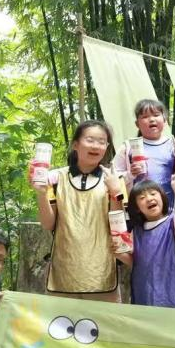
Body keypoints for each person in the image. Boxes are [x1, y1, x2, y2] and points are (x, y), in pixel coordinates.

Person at [32, 119, 128, 302]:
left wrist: (115, 192)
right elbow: (48, 224)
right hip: (64, 271)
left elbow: (119, 228)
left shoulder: (115, 178)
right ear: (75, 144)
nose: (96, 146)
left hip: (102, 273)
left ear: (107, 147)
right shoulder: (55, 178)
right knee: (61, 320)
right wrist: (41, 193)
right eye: (90, 140)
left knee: (103, 320)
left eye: (102, 142)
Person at [122, 175, 175, 309]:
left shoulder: (173, 223)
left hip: (170, 295)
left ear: (162, 197)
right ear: (137, 207)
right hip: (142, 293)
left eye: (153, 194)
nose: (149, 198)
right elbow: (135, 262)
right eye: (142, 198)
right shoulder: (136, 231)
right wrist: (118, 253)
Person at [115, 99, 175, 202]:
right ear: (137, 124)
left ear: (164, 120)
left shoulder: (174, 146)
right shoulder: (128, 147)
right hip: (137, 206)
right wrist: (130, 174)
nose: (152, 119)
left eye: (156, 115)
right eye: (145, 117)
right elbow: (113, 176)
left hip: (168, 205)